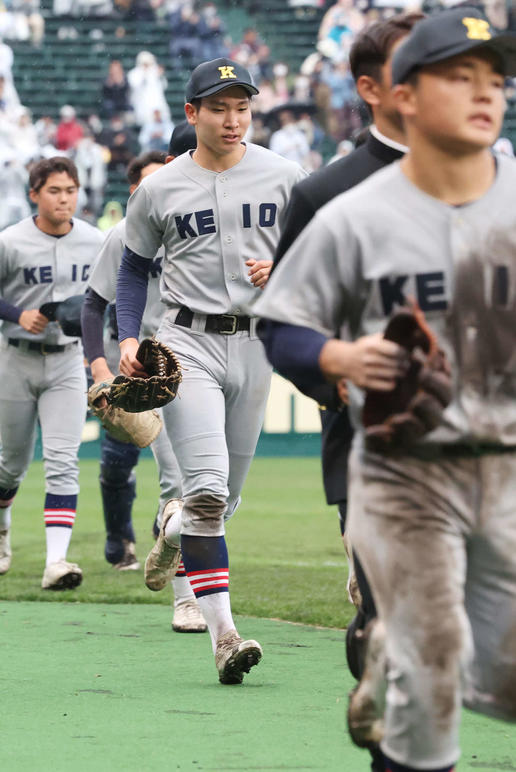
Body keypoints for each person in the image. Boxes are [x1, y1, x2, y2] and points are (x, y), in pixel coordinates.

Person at [255, 10, 516, 771]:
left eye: (494, 78)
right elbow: (283, 328)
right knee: (427, 675)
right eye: (458, 77)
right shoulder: (348, 211)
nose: (485, 93)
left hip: (506, 464)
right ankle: (397, 671)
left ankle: (390, 661)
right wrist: (336, 355)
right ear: (401, 94)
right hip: (403, 471)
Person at [115, 58, 305, 685]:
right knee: (209, 489)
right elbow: (131, 266)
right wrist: (125, 337)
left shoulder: (283, 175)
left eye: (242, 106)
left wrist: (284, 271)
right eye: (219, 106)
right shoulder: (161, 187)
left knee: (222, 502)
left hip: (256, 343)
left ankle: (171, 527)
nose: (232, 118)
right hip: (185, 342)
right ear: (192, 113)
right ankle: (223, 635)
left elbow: (320, 251)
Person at [268, 14, 423, 769]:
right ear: (368, 88)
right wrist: (332, 371)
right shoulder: (325, 193)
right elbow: (283, 327)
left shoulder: (499, 182)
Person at [81, 137, 209, 634]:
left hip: (208, 358)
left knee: (216, 490)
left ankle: (171, 541)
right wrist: (98, 366)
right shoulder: (130, 232)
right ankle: (187, 598)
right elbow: (94, 303)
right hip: (147, 368)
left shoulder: (209, 225)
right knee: (176, 480)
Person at [0, 156, 105, 590]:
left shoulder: (96, 241)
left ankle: (56, 562)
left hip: (67, 358)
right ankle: (0, 523)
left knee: (63, 460)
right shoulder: (10, 242)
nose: (64, 199)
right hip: (16, 356)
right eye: (54, 191)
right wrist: (16, 314)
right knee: (13, 462)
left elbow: (106, 299)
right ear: (34, 195)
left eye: (70, 190)